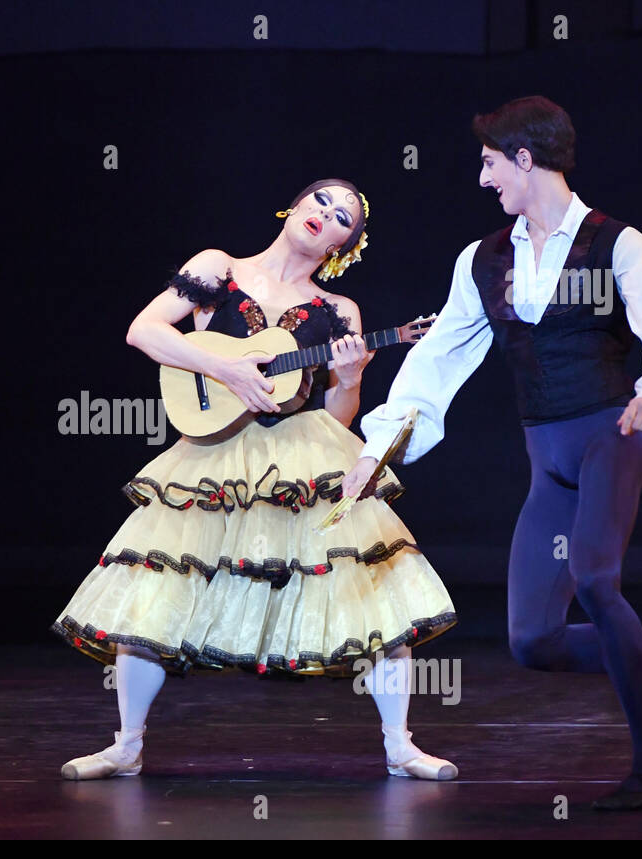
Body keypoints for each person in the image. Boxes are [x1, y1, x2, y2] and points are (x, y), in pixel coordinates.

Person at [344, 95, 642, 811]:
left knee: (595, 577)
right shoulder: (483, 259)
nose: (483, 178)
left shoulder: (614, 242)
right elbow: (437, 359)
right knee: (532, 638)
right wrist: (382, 447)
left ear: (527, 159)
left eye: (491, 163)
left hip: (610, 440)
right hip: (547, 461)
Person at [55, 178, 460, 781]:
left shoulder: (338, 312)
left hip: (301, 454)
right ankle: (126, 745)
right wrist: (226, 367)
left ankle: (399, 747)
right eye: (320, 201)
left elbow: (337, 417)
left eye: (343, 215)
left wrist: (348, 380)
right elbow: (145, 331)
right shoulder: (218, 268)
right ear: (293, 207)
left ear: (346, 244)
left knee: (370, 589)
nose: (327, 214)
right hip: (213, 454)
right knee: (156, 588)